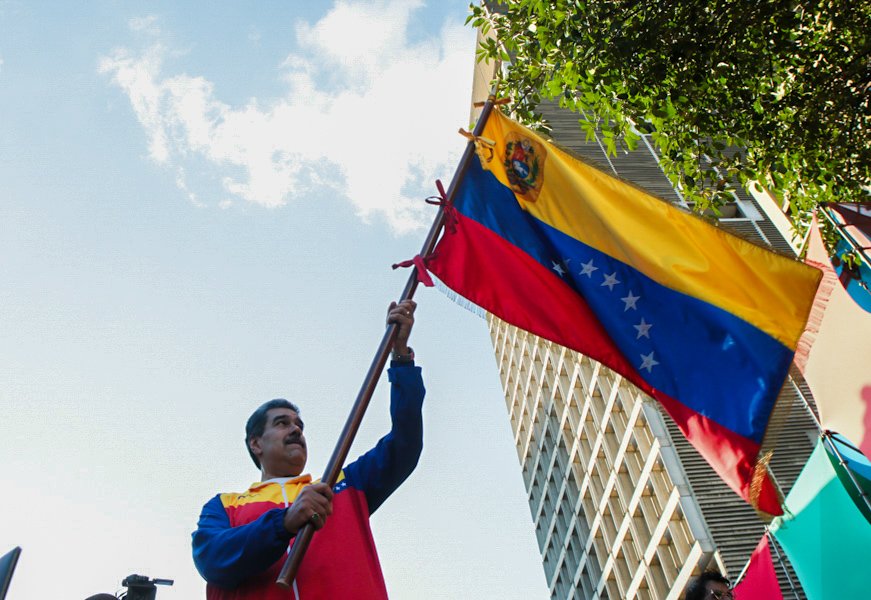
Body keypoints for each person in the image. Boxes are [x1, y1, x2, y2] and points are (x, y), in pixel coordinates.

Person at [192, 300, 424, 600]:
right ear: (256, 443)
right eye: (282, 423)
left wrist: (401, 359)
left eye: (299, 424)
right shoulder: (225, 506)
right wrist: (284, 523)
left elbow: (405, 444)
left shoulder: (343, 484)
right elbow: (212, 559)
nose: (296, 429)